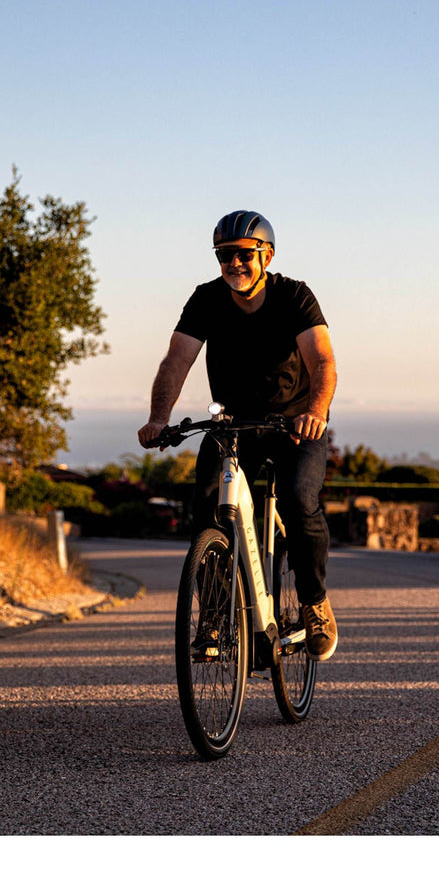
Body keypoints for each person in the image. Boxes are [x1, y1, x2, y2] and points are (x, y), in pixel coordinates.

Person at [138, 210, 339, 661]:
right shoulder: (206, 300)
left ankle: (314, 603)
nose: (233, 263)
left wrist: (314, 412)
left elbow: (323, 362)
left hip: (294, 424)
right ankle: (213, 616)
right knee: (207, 507)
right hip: (232, 426)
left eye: (243, 254)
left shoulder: (294, 297)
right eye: (224, 255)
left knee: (296, 499)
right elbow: (176, 361)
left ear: (266, 255)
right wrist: (158, 418)